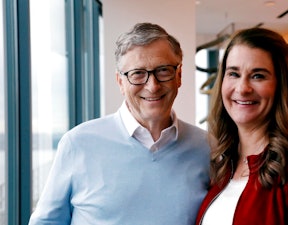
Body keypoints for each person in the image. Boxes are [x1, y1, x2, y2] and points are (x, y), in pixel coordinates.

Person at [28, 22, 210, 225]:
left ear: (179, 76)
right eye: (138, 74)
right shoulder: (78, 143)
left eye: (163, 70)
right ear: (120, 82)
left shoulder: (206, 147)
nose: (152, 86)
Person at [195, 27, 288, 225]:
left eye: (258, 76)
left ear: (281, 86)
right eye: (233, 74)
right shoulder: (222, 164)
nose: (242, 88)